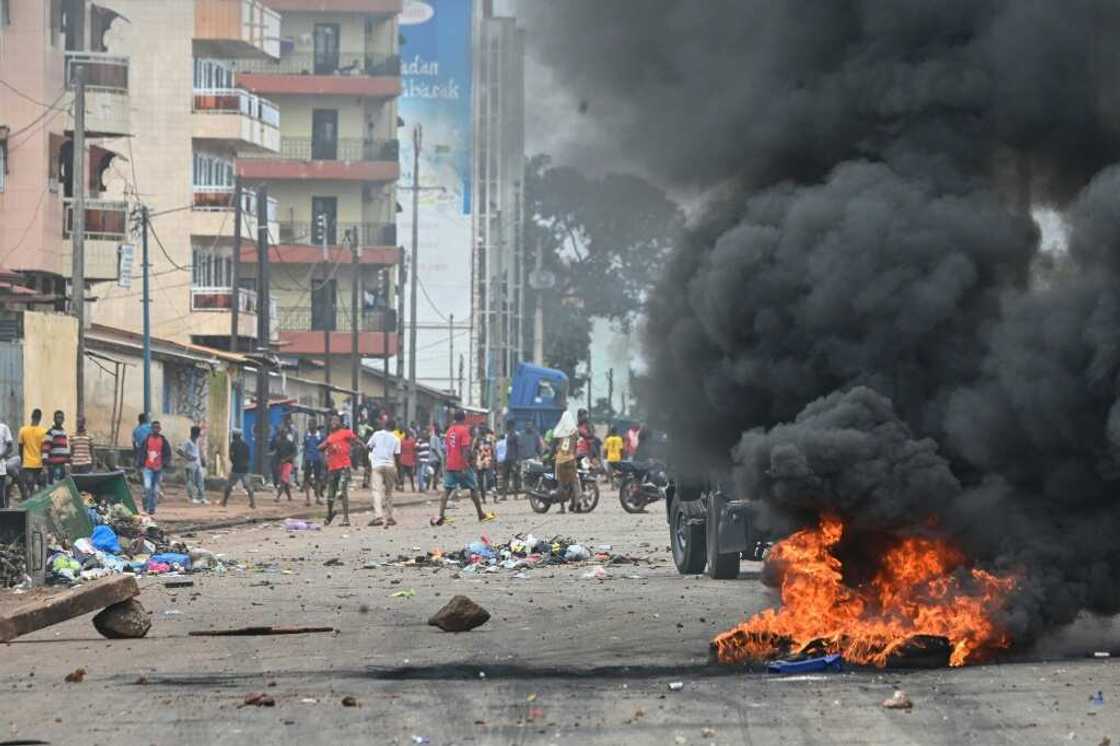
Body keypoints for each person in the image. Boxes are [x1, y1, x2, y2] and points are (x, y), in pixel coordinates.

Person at [431, 411, 494, 526]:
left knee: (447, 489)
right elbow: (465, 449)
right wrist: (466, 463)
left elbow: (447, 448)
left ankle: (441, 515)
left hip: (450, 464)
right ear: (464, 419)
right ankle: (481, 514)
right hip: (462, 465)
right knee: (473, 488)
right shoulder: (464, 431)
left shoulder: (449, 430)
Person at [319, 414, 361, 526]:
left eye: (335, 420)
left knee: (342, 491)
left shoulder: (346, 432)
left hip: (344, 466)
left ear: (340, 423)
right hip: (332, 468)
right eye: (332, 420)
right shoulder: (330, 436)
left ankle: (346, 519)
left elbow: (356, 440)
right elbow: (322, 447)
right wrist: (324, 447)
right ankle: (329, 514)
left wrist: (363, 446)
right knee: (330, 495)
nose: (333, 422)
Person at [367, 419, 401, 528]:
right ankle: (389, 517)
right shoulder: (396, 438)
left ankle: (378, 516)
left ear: (385, 425)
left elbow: (369, 447)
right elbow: (397, 456)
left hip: (377, 465)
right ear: (394, 428)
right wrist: (398, 473)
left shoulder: (376, 434)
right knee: (389, 492)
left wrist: (373, 455)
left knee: (377, 491)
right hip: (390, 465)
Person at [141, 421, 172, 515]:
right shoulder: (147, 440)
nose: (156, 429)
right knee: (147, 487)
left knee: (155, 490)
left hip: (158, 469)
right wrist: (139, 464)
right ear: (151, 429)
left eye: (157, 428)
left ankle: (151, 508)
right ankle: (145, 505)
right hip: (147, 467)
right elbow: (141, 452)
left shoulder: (163, 440)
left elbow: (167, 454)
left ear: (160, 429)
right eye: (154, 427)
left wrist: (164, 463)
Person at [551, 411, 580, 513]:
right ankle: (577, 505)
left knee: (561, 484)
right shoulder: (575, 432)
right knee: (574, 482)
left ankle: (562, 507)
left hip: (561, 460)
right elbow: (577, 445)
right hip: (571, 460)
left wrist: (550, 457)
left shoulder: (559, 431)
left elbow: (553, 447)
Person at [222, 430, 255, 508]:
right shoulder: (246, 445)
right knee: (248, 486)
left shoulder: (233, 444)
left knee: (229, 486)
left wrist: (234, 462)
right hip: (245, 468)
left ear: (235, 436)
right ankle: (253, 503)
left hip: (236, 468)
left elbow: (231, 456)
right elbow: (248, 457)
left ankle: (224, 502)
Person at [18, 409, 47, 494]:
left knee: (29, 488)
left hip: (27, 464)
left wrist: (22, 461)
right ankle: (39, 505)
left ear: (31, 416)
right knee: (41, 487)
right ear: (40, 418)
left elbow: (20, 447)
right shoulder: (43, 431)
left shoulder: (23, 430)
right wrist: (45, 465)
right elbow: (44, 449)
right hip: (39, 464)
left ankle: (29, 504)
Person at [178, 425, 207, 504]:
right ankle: (192, 497)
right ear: (194, 433)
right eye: (198, 433)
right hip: (189, 464)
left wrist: (202, 459)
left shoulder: (197, 441)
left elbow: (199, 451)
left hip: (197, 463)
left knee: (200, 481)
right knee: (191, 481)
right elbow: (179, 451)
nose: (198, 435)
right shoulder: (187, 442)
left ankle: (201, 497)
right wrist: (188, 457)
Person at [40, 410, 70, 484]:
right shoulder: (50, 432)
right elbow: (45, 448)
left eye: (61, 418)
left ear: (63, 419)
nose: (60, 419)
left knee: (62, 486)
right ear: (54, 419)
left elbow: (64, 448)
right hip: (54, 465)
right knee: (55, 486)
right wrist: (44, 464)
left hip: (62, 465)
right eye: (58, 417)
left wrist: (68, 461)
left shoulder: (63, 432)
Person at [302, 422, 325, 505]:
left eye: (312, 425)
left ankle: (318, 498)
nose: (310, 427)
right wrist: (304, 460)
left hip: (317, 459)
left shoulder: (321, 436)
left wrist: (323, 459)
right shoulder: (306, 435)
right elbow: (305, 447)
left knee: (318, 479)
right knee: (306, 479)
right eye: (309, 425)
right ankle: (307, 499)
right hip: (308, 459)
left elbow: (324, 448)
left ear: (315, 427)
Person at [274, 424, 297, 502]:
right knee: (285, 481)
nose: (283, 434)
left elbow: (294, 453)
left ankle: (278, 497)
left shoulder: (290, 443)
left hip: (288, 463)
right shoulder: (278, 443)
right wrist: (277, 463)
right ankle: (289, 497)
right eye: (282, 432)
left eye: (285, 432)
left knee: (283, 480)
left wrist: (286, 459)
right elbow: (277, 453)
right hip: (281, 463)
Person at [0, 419, 12, 508]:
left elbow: (10, 447)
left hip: (0, 470)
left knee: (0, 498)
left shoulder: (3, 428)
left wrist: (1, 456)